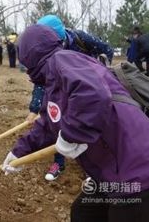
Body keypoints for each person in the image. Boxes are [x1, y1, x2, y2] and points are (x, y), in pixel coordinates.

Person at [2, 24, 149, 222]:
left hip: (139, 171)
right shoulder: (52, 79)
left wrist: (71, 134)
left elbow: (93, 94)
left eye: (23, 59)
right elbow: (49, 122)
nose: (24, 68)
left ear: (29, 55)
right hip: (111, 173)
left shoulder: (63, 60)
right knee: (83, 213)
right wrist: (19, 150)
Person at [27, 14, 115, 181]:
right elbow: (41, 81)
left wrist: (101, 72)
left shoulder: (80, 39)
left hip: (87, 89)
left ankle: (93, 167)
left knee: (88, 124)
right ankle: (59, 163)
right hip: (62, 90)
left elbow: (106, 49)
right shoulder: (45, 52)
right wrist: (34, 108)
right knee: (56, 121)